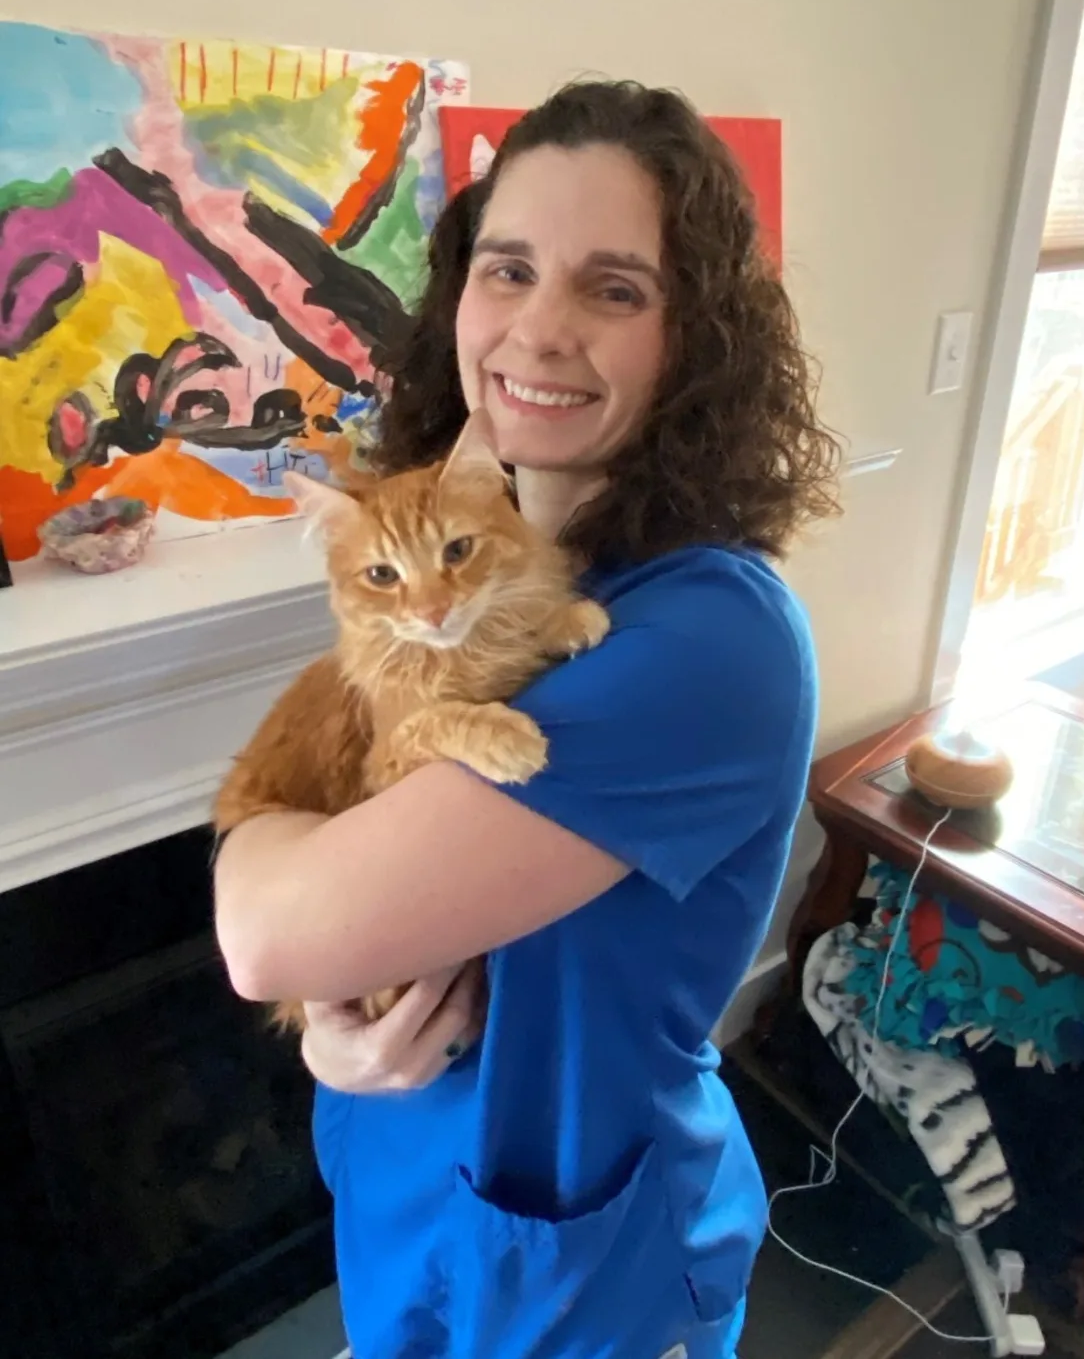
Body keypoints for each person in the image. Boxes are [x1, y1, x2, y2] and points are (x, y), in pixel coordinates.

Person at [215, 79, 840, 1359]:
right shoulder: (471, 572)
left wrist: (269, 886)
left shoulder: (707, 638)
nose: (539, 330)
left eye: (614, 289)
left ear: (695, 338)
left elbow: (268, 931)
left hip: (579, 1270)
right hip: (413, 1193)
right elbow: (313, 847)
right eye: (509, 269)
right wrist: (334, 1034)